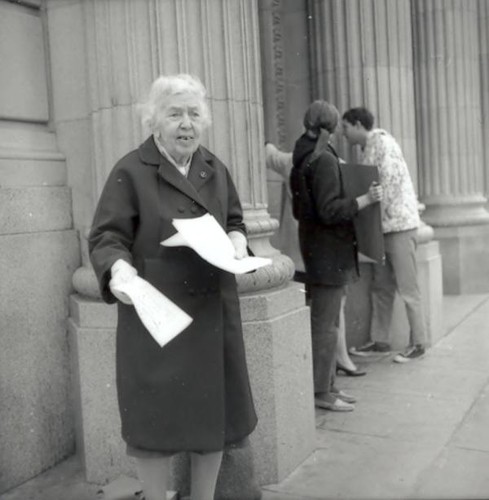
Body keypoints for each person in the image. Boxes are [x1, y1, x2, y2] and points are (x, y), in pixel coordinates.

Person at [88, 74, 257, 500]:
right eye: (175, 113)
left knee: (212, 420)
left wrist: (237, 239)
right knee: (154, 425)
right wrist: (118, 271)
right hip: (157, 318)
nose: (186, 123)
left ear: (205, 121)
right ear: (154, 122)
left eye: (194, 113)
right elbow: (107, 237)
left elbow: (234, 219)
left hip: (211, 312)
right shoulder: (130, 169)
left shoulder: (215, 168)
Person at [290, 100, 382, 411]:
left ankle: (328, 386)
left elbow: (299, 210)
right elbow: (330, 210)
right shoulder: (324, 159)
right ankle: (321, 393)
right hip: (330, 252)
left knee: (325, 323)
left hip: (316, 249)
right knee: (326, 326)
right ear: (329, 126)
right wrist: (364, 200)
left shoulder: (302, 155)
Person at [265, 143, 366, 377]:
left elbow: (268, 154)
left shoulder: (291, 159)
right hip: (322, 248)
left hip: (297, 251)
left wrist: (268, 144)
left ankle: (324, 365)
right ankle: (337, 361)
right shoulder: (331, 162)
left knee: (317, 311)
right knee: (330, 309)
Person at [342, 106, 427, 363]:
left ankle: (419, 343)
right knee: (382, 286)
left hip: (398, 227)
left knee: (407, 287)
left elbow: (386, 185)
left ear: (358, 125)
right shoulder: (373, 146)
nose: (344, 134)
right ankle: (380, 340)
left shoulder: (383, 144)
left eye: (345, 127)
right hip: (388, 227)